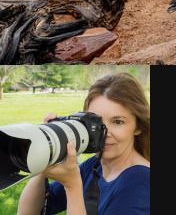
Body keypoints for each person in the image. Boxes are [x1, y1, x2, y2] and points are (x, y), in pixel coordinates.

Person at [17, 73, 150, 215]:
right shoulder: (94, 167)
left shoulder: (141, 181)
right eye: (96, 122)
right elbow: (29, 212)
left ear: (138, 126)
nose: (104, 133)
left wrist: (72, 186)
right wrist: (47, 155)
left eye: (118, 122)